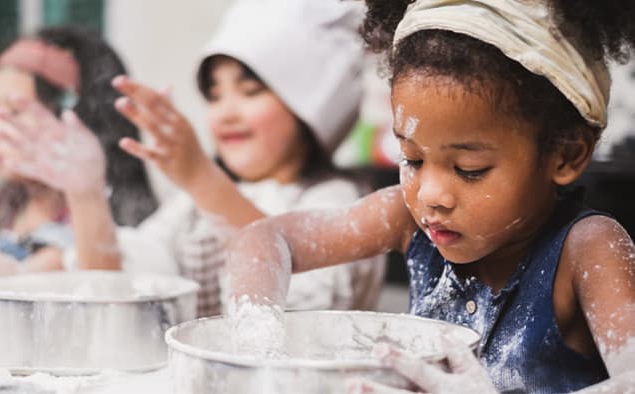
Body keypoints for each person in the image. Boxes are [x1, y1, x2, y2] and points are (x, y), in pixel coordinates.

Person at [224, 0, 635, 392]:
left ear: (566, 155)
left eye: (469, 170)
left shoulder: (589, 250)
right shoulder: (405, 217)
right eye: (413, 159)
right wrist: (258, 341)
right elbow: (264, 239)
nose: (431, 195)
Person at [0, 0, 386, 317]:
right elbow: (117, 287)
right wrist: (85, 193)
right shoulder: (191, 209)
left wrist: (200, 177)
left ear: (308, 107)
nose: (226, 112)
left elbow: (306, 307)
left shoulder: (339, 202)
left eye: (250, 92)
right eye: (215, 96)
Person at [0, 26, 157, 297]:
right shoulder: (6, 204)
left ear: (76, 120)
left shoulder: (99, 224)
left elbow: (18, 291)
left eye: (16, 110)